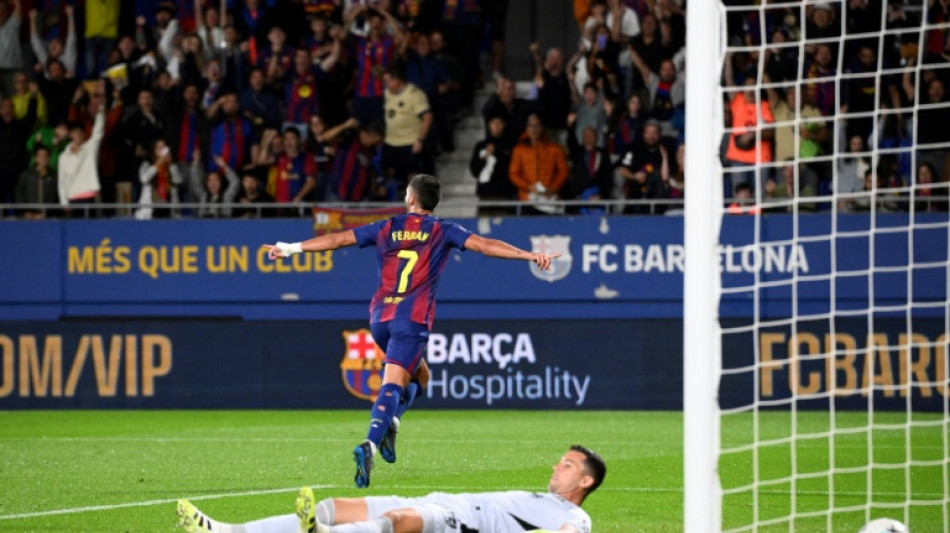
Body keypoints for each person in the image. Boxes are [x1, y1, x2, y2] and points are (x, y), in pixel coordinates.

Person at [263, 174, 559, 489]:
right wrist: (529, 255)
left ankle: (392, 424)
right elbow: (486, 245)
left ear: (410, 198)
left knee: (422, 376)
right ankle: (371, 444)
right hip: (411, 319)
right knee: (393, 382)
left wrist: (288, 248)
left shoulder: (387, 227)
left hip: (380, 318)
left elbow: (335, 240)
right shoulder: (444, 230)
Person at [177, 445, 605, 533]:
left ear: (584, 482)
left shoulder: (575, 516)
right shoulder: (541, 499)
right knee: (330, 506)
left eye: (566, 465)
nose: (556, 466)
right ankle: (227, 531)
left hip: (461, 524)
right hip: (440, 502)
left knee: (396, 523)